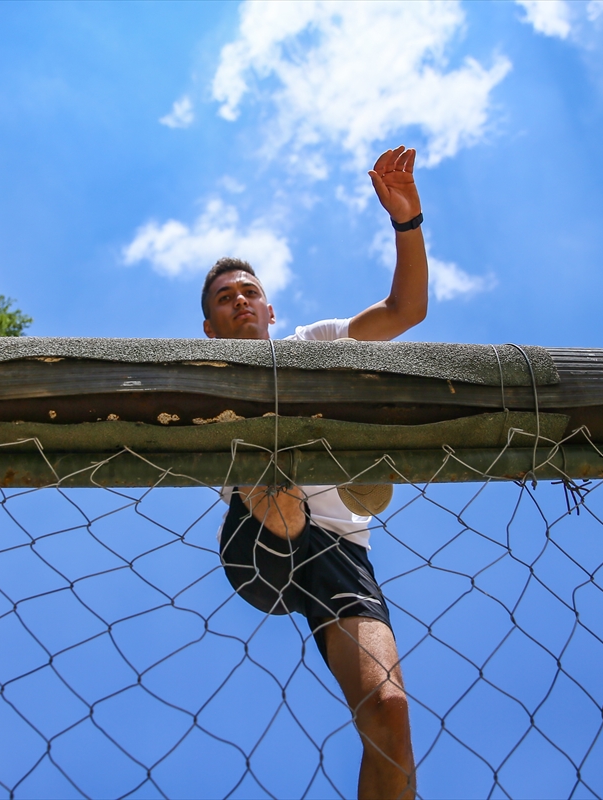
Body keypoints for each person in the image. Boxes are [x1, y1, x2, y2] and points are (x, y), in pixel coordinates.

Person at [202, 146, 428, 800]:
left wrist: (406, 222)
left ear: (271, 311)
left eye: (250, 292)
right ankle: (334, 459)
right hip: (261, 533)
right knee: (282, 496)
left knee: (389, 715)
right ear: (210, 326)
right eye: (224, 298)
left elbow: (405, 312)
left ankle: (353, 464)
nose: (240, 300)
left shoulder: (314, 344)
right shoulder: (195, 372)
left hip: (340, 551)